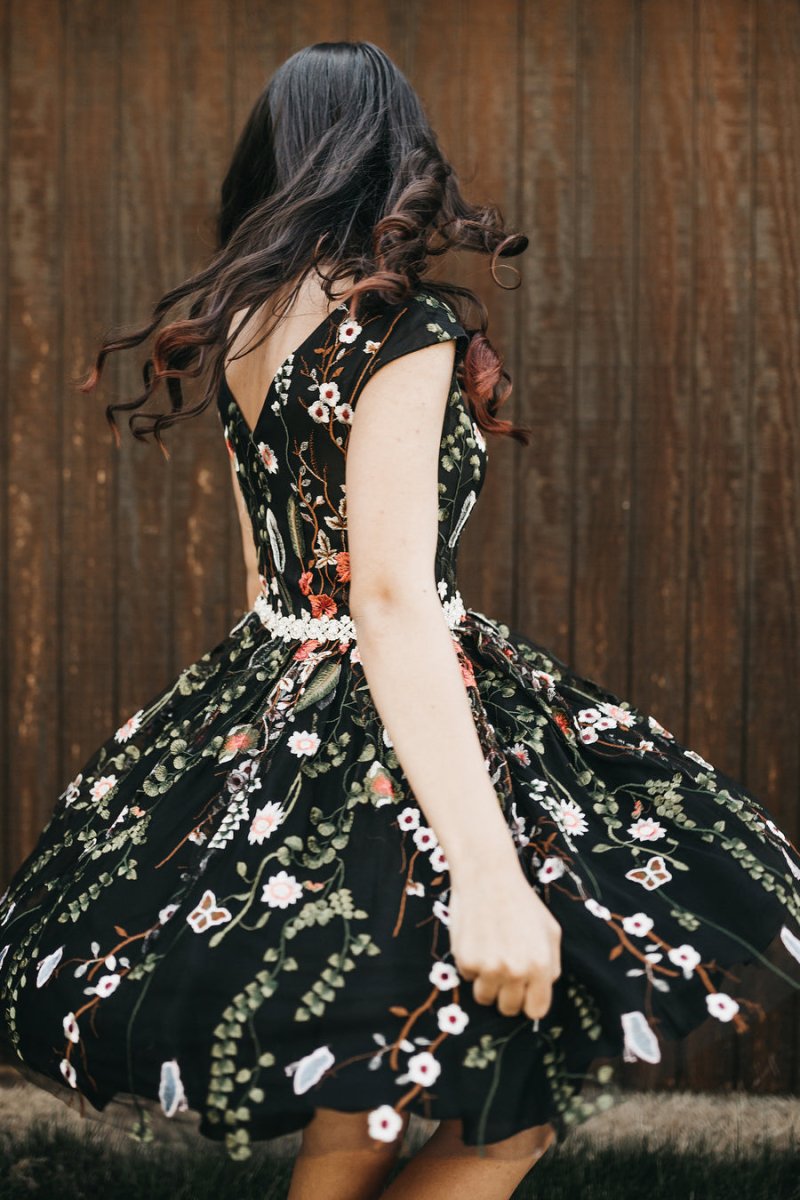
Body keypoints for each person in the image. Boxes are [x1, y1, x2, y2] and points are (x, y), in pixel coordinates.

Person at [1, 38, 800, 1200]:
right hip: (396, 693)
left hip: (281, 688)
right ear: (393, 151)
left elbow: (268, 580)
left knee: (367, 1083)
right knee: (509, 1105)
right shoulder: (399, 325)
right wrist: (484, 871)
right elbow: (384, 594)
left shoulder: (247, 321)